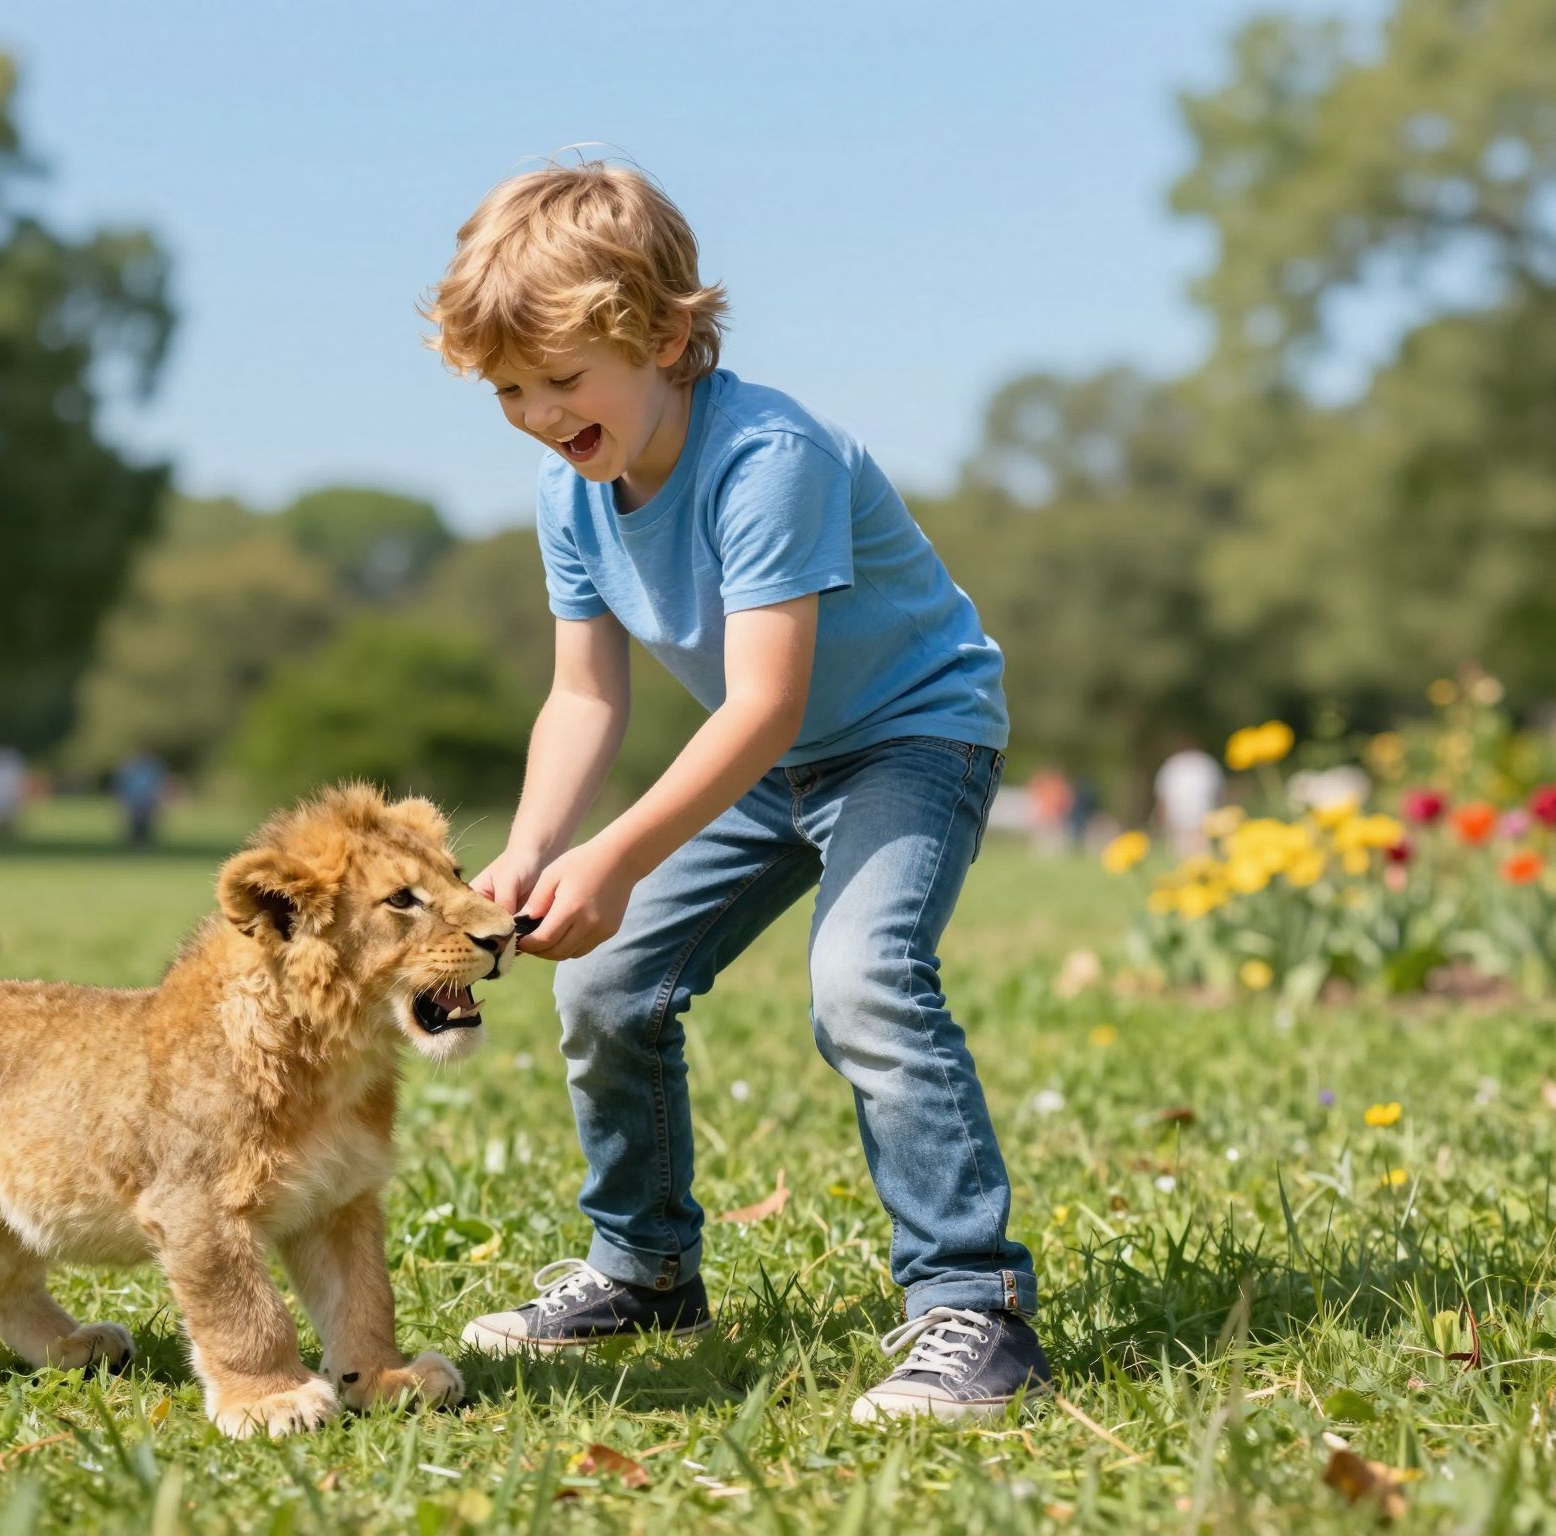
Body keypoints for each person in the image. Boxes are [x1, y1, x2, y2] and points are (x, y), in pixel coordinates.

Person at [424, 160, 1049, 1422]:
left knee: (863, 983)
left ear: (663, 337)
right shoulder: (571, 492)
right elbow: (583, 698)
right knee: (605, 985)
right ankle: (643, 1272)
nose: (538, 415)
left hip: (907, 737)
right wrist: (536, 848)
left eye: (561, 378)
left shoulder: (768, 457)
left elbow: (762, 703)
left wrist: (614, 858)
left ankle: (973, 1308)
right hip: (767, 764)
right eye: (508, 391)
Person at [1153, 738, 1223, 858]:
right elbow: (1219, 793)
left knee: (1192, 855)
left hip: (1199, 821)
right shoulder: (1204, 763)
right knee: (1198, 856)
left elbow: (1163, 798)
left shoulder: (1174, 765)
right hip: (1187, 821)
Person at [115, 751, 167, 848]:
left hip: (147, 800)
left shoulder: (151, 768)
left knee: (146, 823)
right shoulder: (129, 769)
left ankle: (144, 842)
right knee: (135, 823)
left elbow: (158, 784)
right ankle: (137, 843)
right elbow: (121, 785)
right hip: (134, 800)